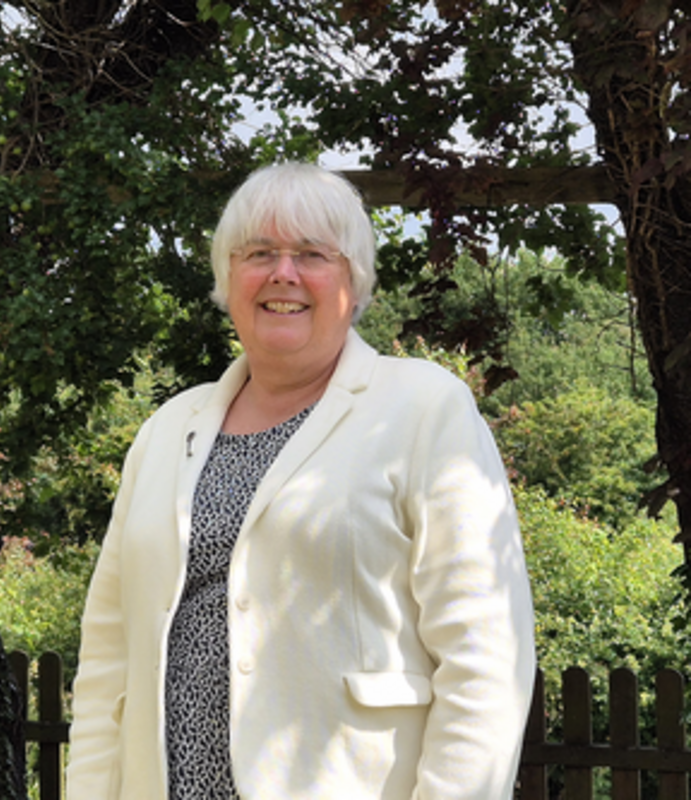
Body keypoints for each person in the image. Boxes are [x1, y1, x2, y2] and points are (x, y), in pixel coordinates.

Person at [66, 162, 536, 800]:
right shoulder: (165, 430)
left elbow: (486, 658)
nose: (282, 273)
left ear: (354, 278)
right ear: (228, 276)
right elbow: (107, 665)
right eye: (259, 252)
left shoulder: (424, 408)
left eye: (312, 254)